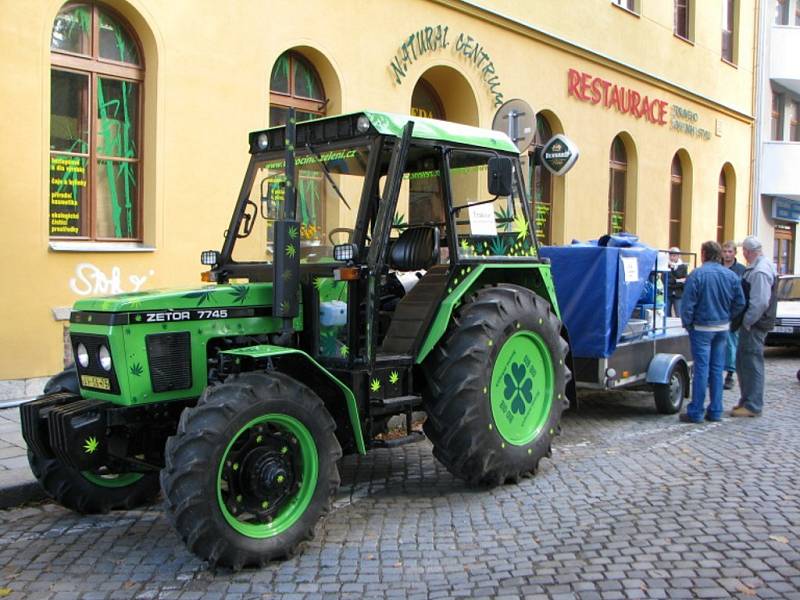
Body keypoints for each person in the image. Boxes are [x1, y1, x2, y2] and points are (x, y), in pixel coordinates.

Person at [679, 241, 745, 423]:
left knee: (701, 369)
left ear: (703, 254)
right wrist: (728, 317)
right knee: (717, 369)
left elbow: (687, 305)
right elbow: (740, 302)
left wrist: (689, 324)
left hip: (702, 327)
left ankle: (696, 411)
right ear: (719, 255)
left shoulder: (697, 274)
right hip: (722, 327)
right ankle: (716, 410)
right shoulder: (730, 276)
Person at [731, 236, 778, 418]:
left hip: (755, 324)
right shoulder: (761, 266)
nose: (743, 254)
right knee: (744, 361)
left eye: (744, 251)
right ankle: (747, 400)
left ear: (749, 252)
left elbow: (759, 302)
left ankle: (753, 404)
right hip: (755, 323)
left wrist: (747, 321)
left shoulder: (760, 271)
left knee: (751, 362)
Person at [721, 241, 746, 390]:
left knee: (731, 344)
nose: (727, 254)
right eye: (725, 251)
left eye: (730, 251)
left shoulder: (741, 270)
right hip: (718, 312)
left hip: (734, 313)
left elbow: (742, 295)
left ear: (735, 253)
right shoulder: (717, 267)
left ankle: (730, 374)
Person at [667, 247, 688, 317]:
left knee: (679, 314)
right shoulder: (666, 265)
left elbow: (684, 280)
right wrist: (677, 280)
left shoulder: (683, 266)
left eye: (674, 255)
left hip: (678, 293)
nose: (672, 257)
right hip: (668, 293)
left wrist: (675, 281)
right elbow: (666, 280)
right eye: (670, 255)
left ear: (678, 256)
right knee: (666, 314)